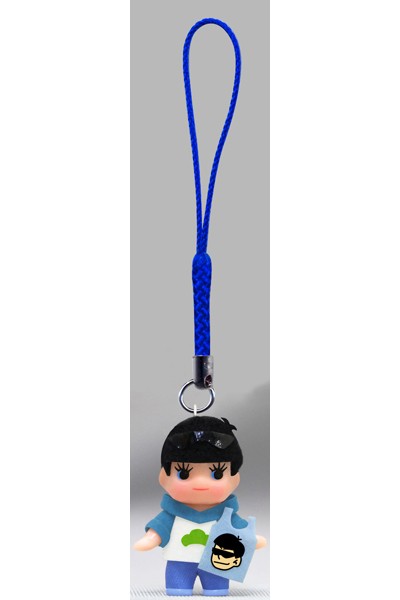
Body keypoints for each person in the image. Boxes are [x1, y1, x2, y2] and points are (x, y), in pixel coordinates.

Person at [134, 416, 267, 597]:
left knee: (217, 591)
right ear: (164, 478)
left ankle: (214, 588)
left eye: (217, 474)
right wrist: (152, 537)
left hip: (216, 564)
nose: (200, 483)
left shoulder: (226, 515)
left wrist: (250, 539)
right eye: (183, 474)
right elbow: (160, 527)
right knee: (178, 590)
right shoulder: (172, 514)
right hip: (179, 562)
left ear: (234, 479)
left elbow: (238, 530)